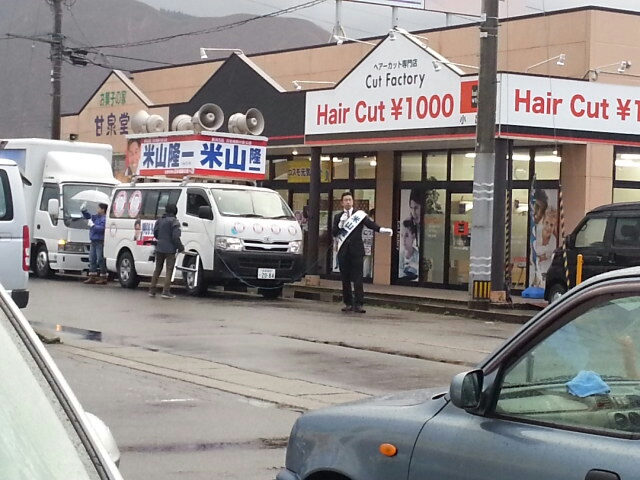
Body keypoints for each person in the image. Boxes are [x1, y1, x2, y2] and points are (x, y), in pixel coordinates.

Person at [332, 192, 392, 314]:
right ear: (342, 202)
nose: (348, 202)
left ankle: (359, 304)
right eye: (345, 200)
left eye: (350, 200)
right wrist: (340, 225)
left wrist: (381, 230)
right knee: (345, 279)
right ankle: (348, 303)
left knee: (358, 278)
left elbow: (370, 224)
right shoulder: (338, 216)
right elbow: (334, 233)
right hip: (343, 251)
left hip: (357, 250)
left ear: (353, 201)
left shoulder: (359, 215)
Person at [149, 203, 184, 299]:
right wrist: (181, 247)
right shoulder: (174, 222)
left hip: (159, 248)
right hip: (170, 250)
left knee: (157, 269)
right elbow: (175, 237)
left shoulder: (160, 220)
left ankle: (152, 290)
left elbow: (155, 233)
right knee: (169, 270)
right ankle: (166, 291)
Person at [81, 202, 108, 285]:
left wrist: (93, 226)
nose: (97, 209)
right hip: (93, 241)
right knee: (92, 259)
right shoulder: (96, 217)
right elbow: (88, 216)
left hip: (100, 241)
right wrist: (83, 211)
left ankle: (103, 277)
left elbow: (102, 229)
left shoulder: (105, 219)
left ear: (103, 210)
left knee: (100, 259)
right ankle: (92, 276)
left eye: (98, 208)